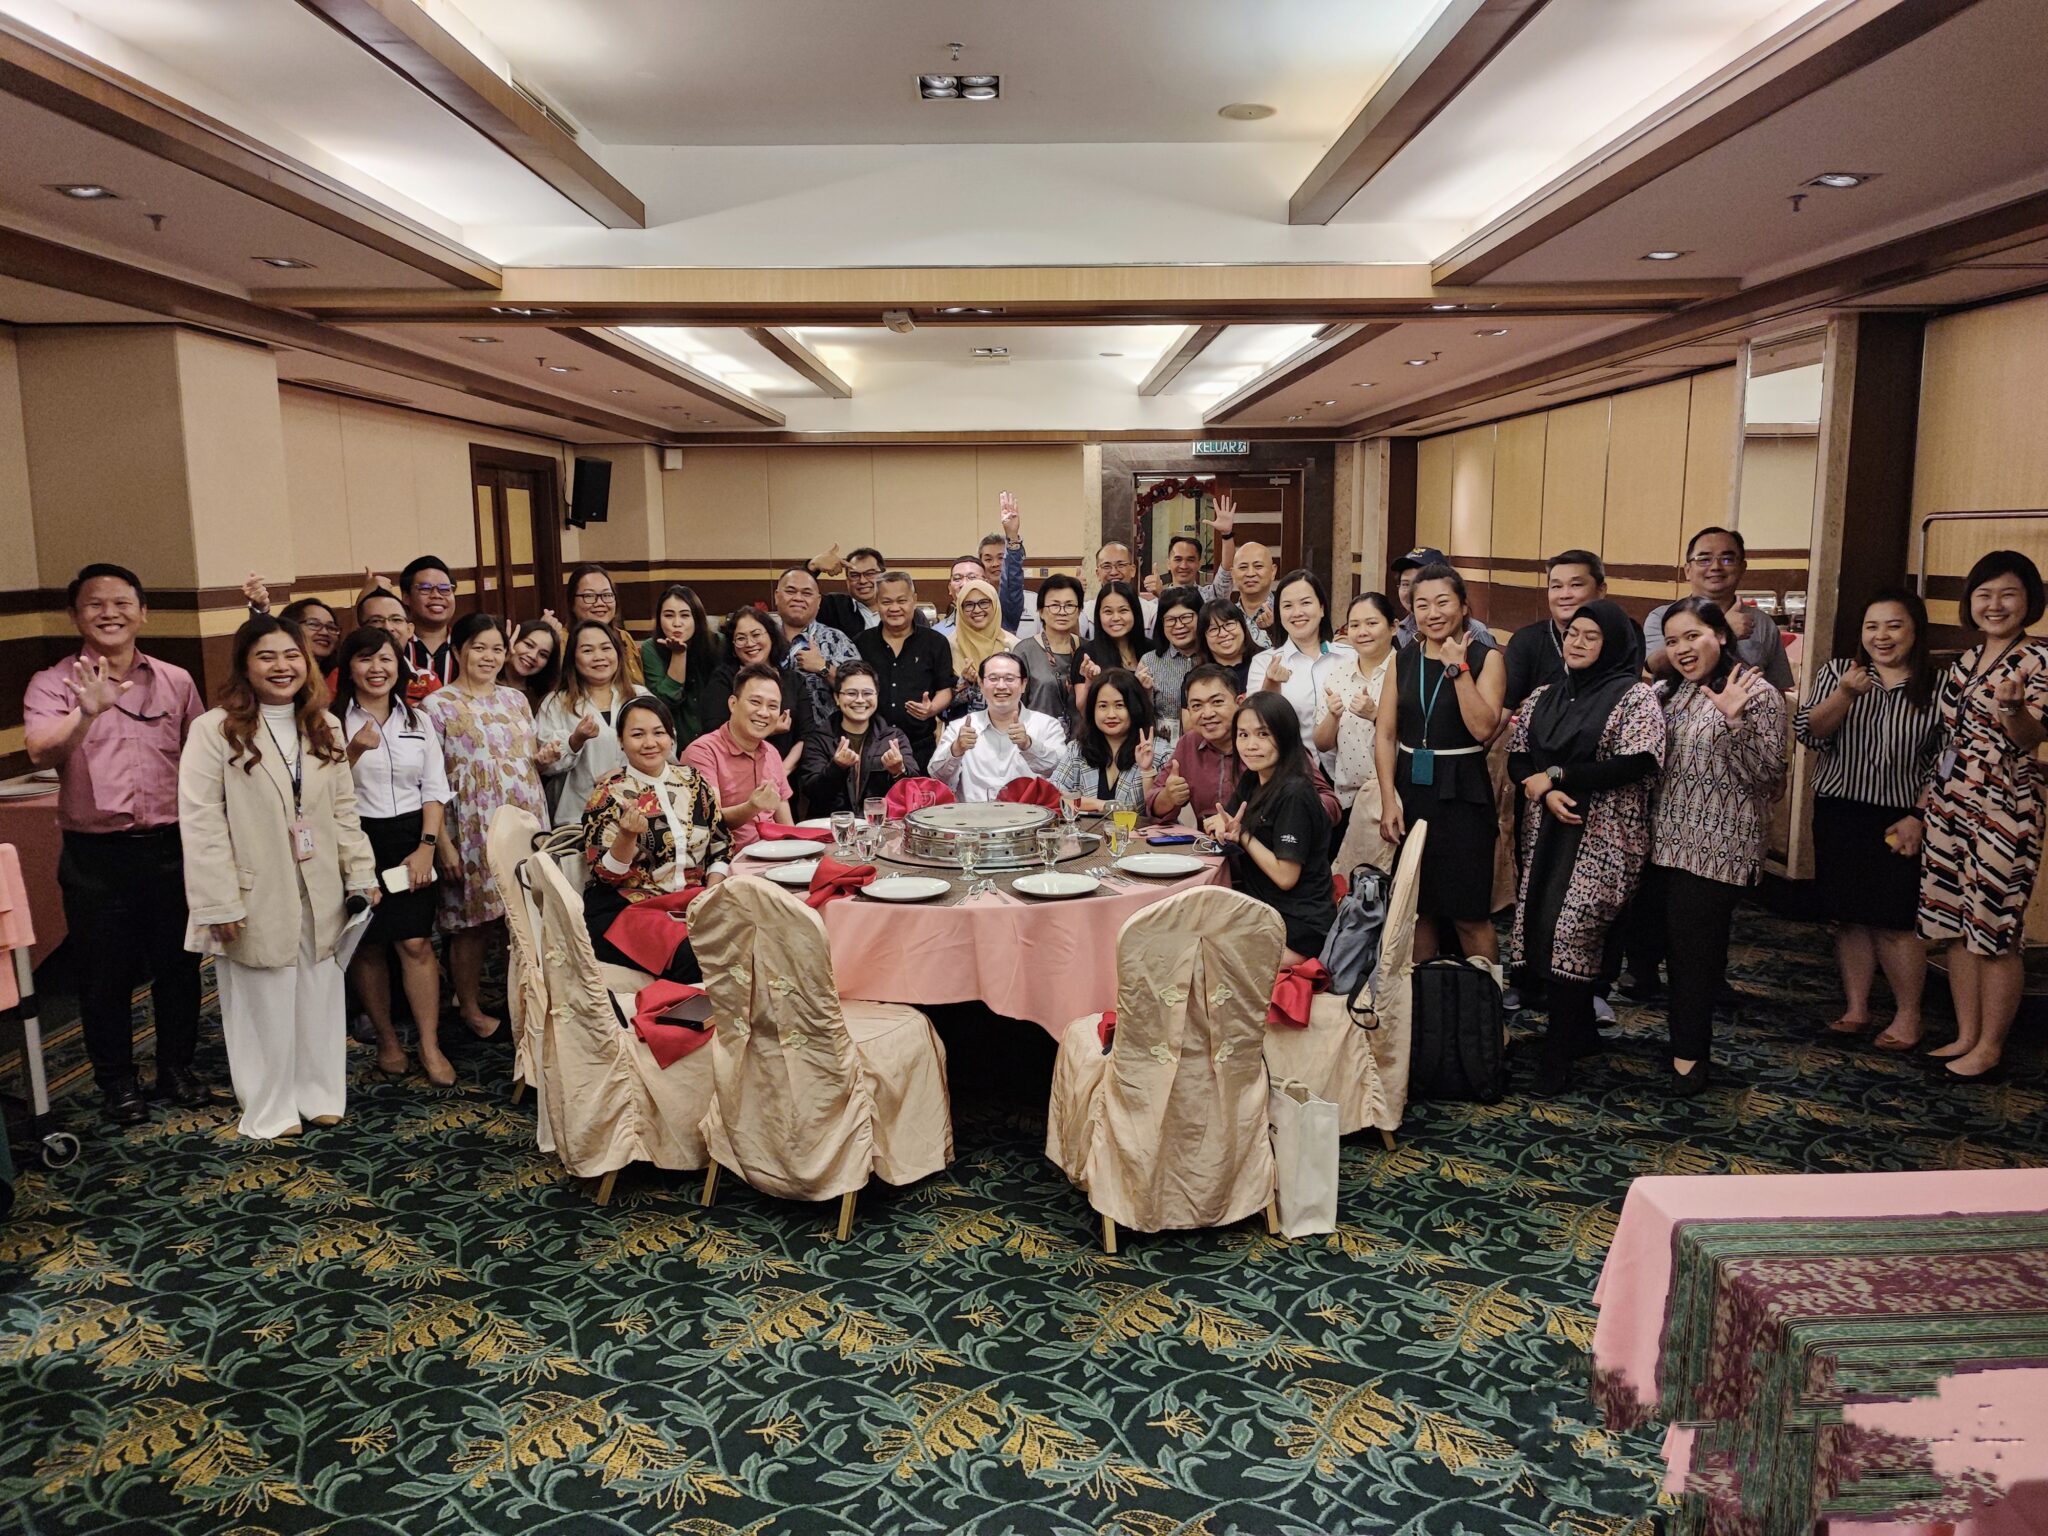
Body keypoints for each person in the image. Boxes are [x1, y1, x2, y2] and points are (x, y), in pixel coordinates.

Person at [178, 618, 378, 1139]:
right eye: (266, 656)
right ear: (244, 665)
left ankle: (319, 1092)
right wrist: (218, 902)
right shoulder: (214, 730)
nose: (281, 666)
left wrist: (360, 873)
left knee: (320, 989)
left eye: (291, 655)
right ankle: (270, 1106)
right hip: (254, 888)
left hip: (320, 884)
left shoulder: (324, 724)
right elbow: (201, 822)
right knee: (263, 997)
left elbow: (344, 809)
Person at [23, 563, 207, 1125]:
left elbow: (202, 760)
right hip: (95, 855)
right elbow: (41, 750)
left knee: (179, 966)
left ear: (143, 612)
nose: (110, 613)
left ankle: (175, 1068)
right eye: (95, 604)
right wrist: (85, 712)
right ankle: (118, 1083)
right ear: (75, 615)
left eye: (122, 603)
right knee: (105, 976)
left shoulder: (176, 681)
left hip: (171, 846)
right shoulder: (52, 683)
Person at [1504, 601, 1663, 1094]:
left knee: (1573, 933)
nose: (1577, 642)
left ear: (1612, 644)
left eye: (1591, 636)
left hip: (1604, 835)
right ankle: (1580, 1034)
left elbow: (1636, 761)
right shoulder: (1545, 694)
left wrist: (1558, 776)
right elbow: (1518, 757)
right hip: (1547, 829)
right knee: (1542, 927)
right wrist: (1544, 790)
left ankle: (1557, 1055)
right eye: (1572, 633)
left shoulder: (1634, 696)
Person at [1917, 551, 2048, 1081]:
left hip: (2005, 806)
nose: (1994, 605)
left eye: (2008, 594)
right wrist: (1925, 804)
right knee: (1953, 923)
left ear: (2030, 601)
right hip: (1949, 802)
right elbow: (1947, 738)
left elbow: (2030, 738)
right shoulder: (1966, 660)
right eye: (1984, 594)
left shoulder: (2040, 660)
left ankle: (1990, 1046)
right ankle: (1966, 1034)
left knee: (1995, 927)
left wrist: (2012, 709)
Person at [1648, 598, 1786, 1094]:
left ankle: (1690, 1057)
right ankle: (1678, 1042)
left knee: (1693, 957)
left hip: (1717, 849)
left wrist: (1734, 724)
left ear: (1721, 636)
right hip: (1661, 843)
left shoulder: (1756, 692)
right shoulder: (1668, 692)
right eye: (1673, 641)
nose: (1682, 649)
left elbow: (1769, 778)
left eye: (1693, 636)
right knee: (1664, 950)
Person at [1794, 590, 1940, 1052]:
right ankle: (1857, 1009)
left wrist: (1920, 815)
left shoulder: (1937, 685)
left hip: (1900, 817)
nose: (1882, 636)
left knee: (1895, 920)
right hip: (1840, 810)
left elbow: (1946, 759)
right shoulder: (1840, 673)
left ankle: (1909, 1016)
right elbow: (1809, 733)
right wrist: (1845, 695)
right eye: (1872, 626)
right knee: (1850, 916)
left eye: (1894, 625)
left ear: (1915, 630)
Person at [329, 625, 454, 1086]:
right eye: (365, 659)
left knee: (416, 942)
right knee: (368, 944)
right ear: (349, 668)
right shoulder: (330, 721)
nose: (376, 668)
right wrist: (353, 752)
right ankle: (386, 1041)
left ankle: (429, 1043)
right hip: (357, 838)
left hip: (410, 838)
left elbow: (434, 789)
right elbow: (322, 791)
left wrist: (426, 848)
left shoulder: (417, 720)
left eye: (385, 659)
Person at [421, 613, 551, 1038]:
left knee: (524, 916)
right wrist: (443, 845)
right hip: (470, 828)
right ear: (458, 650)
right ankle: (470, 1007)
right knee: (471, 925)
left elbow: (527, 761)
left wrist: (547, 758)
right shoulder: (436, 706)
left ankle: (525, 998)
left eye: (497, 649)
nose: (489, 657)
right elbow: (430, 781)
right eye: (479, 647)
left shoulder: (516, 700)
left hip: (523, 821)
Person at [1375, 563, 1508, 974]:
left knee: (1468, 913)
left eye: (1443, 602)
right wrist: (1388, 800)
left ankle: (1485, 1000)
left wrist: (1457, 669)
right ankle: (1422, 1001)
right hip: (1413, 790)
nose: (1433, 613)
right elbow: (1385, 733)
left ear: (1464, 606)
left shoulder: (1487, 659)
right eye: (1422, 605)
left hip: (1463, 793)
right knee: (1418, 909)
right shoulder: (1403, 659)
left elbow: (1483, 728)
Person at [583, 698, 731, 983]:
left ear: (672, 736)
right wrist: (627, 836)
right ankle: (686, 1011)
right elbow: (604, 875)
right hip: (628, 908)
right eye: (637, 734)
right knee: (698, 955)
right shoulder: (608, 794)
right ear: (621, 741)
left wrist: (711, 896)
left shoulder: (694, 782)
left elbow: (721, 844)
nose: (649, 743)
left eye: (659, 732)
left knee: (754, 933)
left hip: (693, 901)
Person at [1204, 692, 1335, 963]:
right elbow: (1229, 821)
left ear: (1285, 736)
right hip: (1262, 911)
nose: (1251, 745)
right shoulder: (1253, 779)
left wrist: (1242, 835)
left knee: (1207, 959)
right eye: (1243, 735)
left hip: (1299, 927)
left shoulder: (1295, 793)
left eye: (1263, 734)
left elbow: (1286, 876)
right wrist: (1220, 824)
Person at [1152, 664, 1342, 827]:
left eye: (1217, 702)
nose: (1207, 713)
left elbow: (1331, 805)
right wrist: (1168, 797)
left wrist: (1285, 808)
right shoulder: (1189, 743)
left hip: (1271, 850)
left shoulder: (1272, 741)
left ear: (1239, 702)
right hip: (1212, 850)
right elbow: (1153, 803)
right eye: (1196, 706)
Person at [1644, 528, 1795, 690]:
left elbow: (1778, 689)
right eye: (1704, 559)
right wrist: (1725, 631)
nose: (1716, 566)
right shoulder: (1663, 617)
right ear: (1688, 571)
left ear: (1742, 568)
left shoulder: (1762, 623)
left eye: (1727, 559)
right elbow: (1657, 666)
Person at [536, 621, 649, 828]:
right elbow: (545, 765)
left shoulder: (640, 697)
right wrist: (574, 741)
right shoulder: (556, 703)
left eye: (606, 648)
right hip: (576, 819)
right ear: (573, 658)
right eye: (588, 650)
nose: (599, 657)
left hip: (638, 814)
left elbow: (666, 750)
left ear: (617, 653)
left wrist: (628, 771)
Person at [1319, 592, 1400, 875]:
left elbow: (1420, 734)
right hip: (1347, 799)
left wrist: (1377, 715)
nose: (1362, 632)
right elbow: (1322, 743)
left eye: (1371, 623)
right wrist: (1333, 716)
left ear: (1393, 627)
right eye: (1354, 625)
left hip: (1395, 799)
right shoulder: (1337, 675)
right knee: (1349, 881)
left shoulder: (1407, 671)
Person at [682, 663, 797, 851]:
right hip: (726, 860)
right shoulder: (703, 752)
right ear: (733, 704)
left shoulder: (771, 752)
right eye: (755, 702)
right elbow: (710, 821)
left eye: (772, 706)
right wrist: (752, 807)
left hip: (775, 856)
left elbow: (787, 826)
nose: (764, 713)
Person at [931, 650, 1068, 801]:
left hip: (1029, 813)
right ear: (981, 684)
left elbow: (1062, 772)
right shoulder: (960, 727)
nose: (1001, 686)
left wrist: (1029, 745)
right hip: (974, 814)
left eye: (1009, 679)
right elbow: (936, 776)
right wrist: (956, 750)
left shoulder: (1048, 726)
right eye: (993, 679)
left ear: (1024, 684)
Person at [854, 572, 955, 769]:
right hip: (870, 746)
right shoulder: (861, 642)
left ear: (914, 600)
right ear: (877, 602)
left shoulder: (935, 642)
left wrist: (932, 709)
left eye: (902, 601)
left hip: (920, 746)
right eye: (886, 602)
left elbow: (945, 689)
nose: (894, 608)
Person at [1247, 568, 1356, 751]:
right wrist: (1271, 683)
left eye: (1305, 603)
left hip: (1346, 766)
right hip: (1291, 765)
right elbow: (1256, 723)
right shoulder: (1263, 662)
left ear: (1321, 608)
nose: (1297, 613)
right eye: (1287, 606)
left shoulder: (1350, 657)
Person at [710, 606, 813, 782]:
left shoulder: (794, 680)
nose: (750, 643)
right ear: (732, 646)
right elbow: (714, 728)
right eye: (740, 638)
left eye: (756, 634)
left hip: (787, 777)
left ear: (771, 636)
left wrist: (781, 772)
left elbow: (807, 734)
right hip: (734, 775)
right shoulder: (723, 679)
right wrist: (769, 729)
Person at [801, 661, 914, 818]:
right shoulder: (819, 739)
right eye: (851, 693)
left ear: (877, 696)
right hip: (831, 826)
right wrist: (836, 767)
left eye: (867, 693)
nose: (860, 700)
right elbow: (812, 793)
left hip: (879, 827)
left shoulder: (893, 738)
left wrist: (898, 771)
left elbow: (913, 792)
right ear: (837, 697)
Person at [1505, 551, 1608, 711]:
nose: (1565, 595)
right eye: (1556, 586)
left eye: (1576, 585)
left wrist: (1543, 703)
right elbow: (1506, 710)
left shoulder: (1620, 638)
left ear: (1601, 590)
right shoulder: (1525, 641)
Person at [1053, 669, 1158, 812]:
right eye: (1103, 706)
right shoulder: (1078, 749)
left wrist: (1147, 772)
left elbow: (1160, 812)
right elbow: (1053, 794)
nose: (1111, 715)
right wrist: (1100, 805)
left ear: (1134, 707)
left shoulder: (1157, 750)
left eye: (1119, 705)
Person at [638, 583, 718, 747]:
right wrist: (678, 655)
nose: (677, 623)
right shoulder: (650, 648)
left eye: (685, 615)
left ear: (697, 618)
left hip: (716, 742)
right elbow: (664, 703)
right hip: (673, 745)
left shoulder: (718, 643)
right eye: (669, 615)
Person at [774, 564, 859, 699]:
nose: (798, 598)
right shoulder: (762, 638)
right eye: (790, 591)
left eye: (807, 593)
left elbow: (859, 691)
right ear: (777, 596)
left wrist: (823, 667)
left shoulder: (837, 640)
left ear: (818, 601)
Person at [1015, 573, 1086, 723]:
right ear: (1041, 611)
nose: (1062, 612)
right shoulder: (1025, 651)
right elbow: (1015, 704)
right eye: (1054, 605)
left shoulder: (1088, 649)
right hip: (1036, 734)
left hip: (1082, 736)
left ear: (1079, 611)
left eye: (1069, 605)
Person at [1391, 547, 1493, 649]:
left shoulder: (1476, 632)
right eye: (1405, 584)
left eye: (1419, 583)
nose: (1411, 592)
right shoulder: (1400, 629)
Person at [946, 577, 1017, 721]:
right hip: (961, 730)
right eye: (969, 605)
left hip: (1009, 727)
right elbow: (942, 703)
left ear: (995, 604)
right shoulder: (948, 646)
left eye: (984, 603)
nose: (977, 610)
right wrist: (964, 682)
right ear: (960, 608)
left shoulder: (1013, 646)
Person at [566, 563, 646, 685]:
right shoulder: (562, 641)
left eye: (607, 595)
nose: (600, 603)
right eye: (589, 596)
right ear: (572, 602)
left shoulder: (623, 637)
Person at [1147, 586, 1205, 737]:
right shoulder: (1149, 662)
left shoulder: (1214, 656)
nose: (1179, 625)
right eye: (1170, 620)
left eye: (1186, 617)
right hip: (1162, 746)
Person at [1080, 581, 1152, 699]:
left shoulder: (1152, 650)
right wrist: (1090, 682)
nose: (1116, 618)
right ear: (1098, 615)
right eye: (1108, 612)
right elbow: (1082, 708)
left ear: (1135, 612)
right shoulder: (1087, 655)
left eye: (1123, 610)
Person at [1163, 493, 1239, 602]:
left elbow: (1227, 571)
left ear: (1199, 564)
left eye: (1190, 560)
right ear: (1168, 563)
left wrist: (1227, 534)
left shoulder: (1210, 597)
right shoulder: (1156, 601)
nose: (1184, 565)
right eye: (1178, 559)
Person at [398, 556, 459, 689]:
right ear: (406, 597)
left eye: (445, 589)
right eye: (425, 588)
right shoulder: (396, 645)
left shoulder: (466, 645)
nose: (436, 595)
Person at [984, 491, 1034, 635]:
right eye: (988, 559)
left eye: (1001, 558)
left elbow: (1013, 584)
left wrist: (1012, 536)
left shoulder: (1010, 603)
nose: (995, 564)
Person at [1082, 543, 1158, 635]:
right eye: (1106, 566)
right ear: (1098, 573)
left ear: (1132, 570)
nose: (1114, 572)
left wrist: (1161, 594)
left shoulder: (1151, 612)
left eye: (1121, 565)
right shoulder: (1086, 612)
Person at [811, 544, 886, 639]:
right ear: (847, 581)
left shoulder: (898, 607)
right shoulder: (833, 606)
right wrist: (812, 567)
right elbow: (801, 596)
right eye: (854, 575)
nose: (862, 581)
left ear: (884, 576)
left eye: (870, 573)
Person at [1196, 600, 1259, 696]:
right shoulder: (1198, 679)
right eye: (1213, 629)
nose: (1223, 633)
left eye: (1228, 624)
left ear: (1242, 626)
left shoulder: (1265, 662)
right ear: (1204, 637)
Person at [1230, 541, 1283, 647]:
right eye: (1243, 567)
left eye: (1258, 566)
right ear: (1233, 574)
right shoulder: (1227, 617)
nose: (1250, 574)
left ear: (1273, 571)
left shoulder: (1285, 613)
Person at [506, 617, 561, 717]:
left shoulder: (545, 700)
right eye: (529, 645)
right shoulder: (484, 680)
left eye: (543, 654)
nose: (533, 656)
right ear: (514, 641)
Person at [278, 598, 342, 674]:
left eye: (331, 627)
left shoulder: (341, 674)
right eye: (314, 624)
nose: (325, 632)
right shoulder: (281, 670)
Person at [933, 556, 991, 637]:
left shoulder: (1003, 627)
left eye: (972, 577)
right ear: (949, 588)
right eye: (957, 579)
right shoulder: (937, 633)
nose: (964, 584)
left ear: (987, 584)